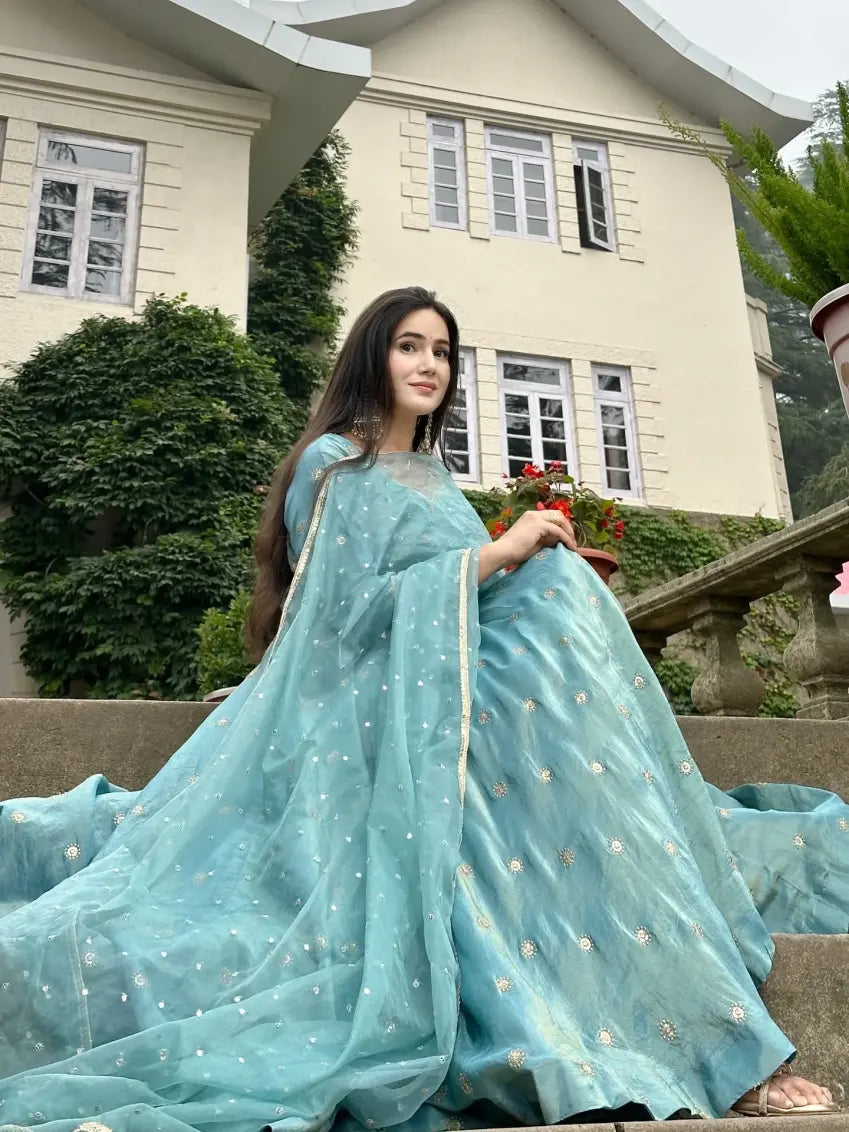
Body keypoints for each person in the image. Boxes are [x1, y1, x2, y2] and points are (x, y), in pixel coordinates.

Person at [0, 286, 844, 1132]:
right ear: (373, 356)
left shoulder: (433, 474)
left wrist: (513, 558)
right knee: (546, 581)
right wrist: (498, 552)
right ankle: (713, 1043)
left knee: (554, 581)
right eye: (409, 346)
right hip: (369, 708)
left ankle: (692, 1003)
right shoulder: (332, 463)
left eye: (441, 352)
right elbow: (338, 622)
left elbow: (459, 594)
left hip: (461, 687)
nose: (428, 365)